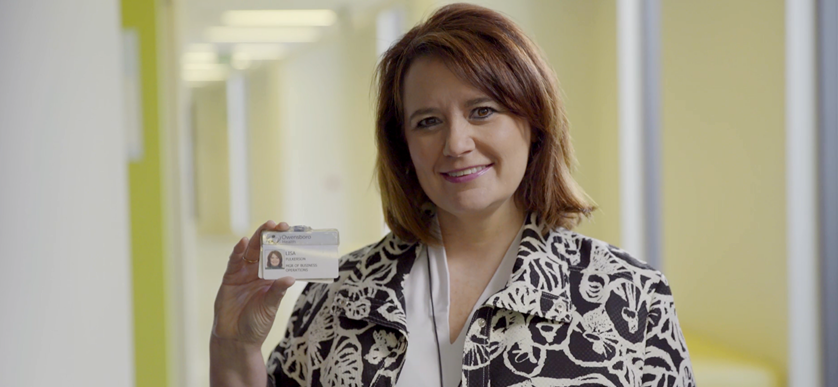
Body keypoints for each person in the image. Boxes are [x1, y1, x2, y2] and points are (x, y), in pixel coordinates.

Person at [210, 3, 694, 387]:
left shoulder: (630, 298)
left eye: (482, 111)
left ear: (534, 123)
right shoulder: (336, 296)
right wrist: (234, 345)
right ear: (404, 148)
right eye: (428, 122)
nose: (457, 143)